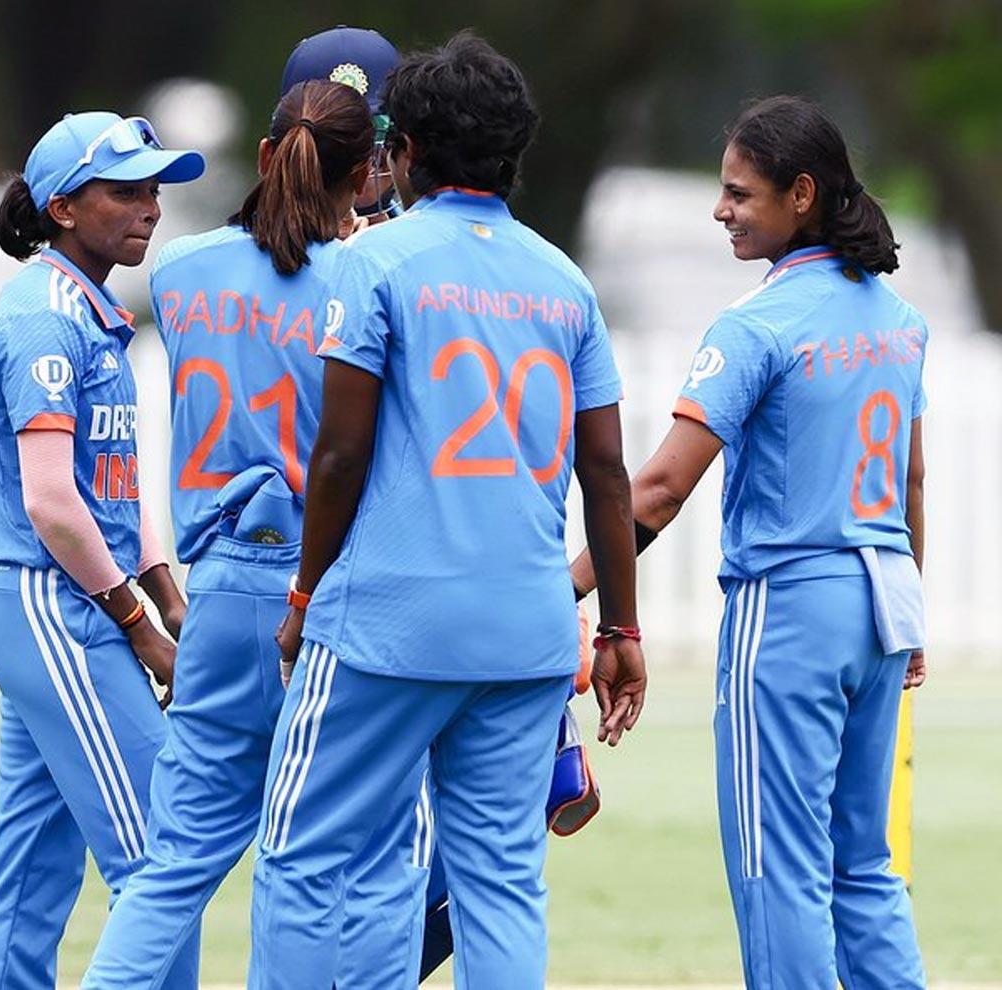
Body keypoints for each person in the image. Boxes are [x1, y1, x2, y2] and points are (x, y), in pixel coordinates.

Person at [249, 33, 647, 990]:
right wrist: (623, 625)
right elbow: (606, 473)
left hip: (389, 623)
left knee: (304, 857)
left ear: (405, 154)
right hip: (528, 632)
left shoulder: (372, 263)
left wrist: (304, 591)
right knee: (501, 885)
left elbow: (340, 452)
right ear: (515, 153)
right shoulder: (566, 282)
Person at [81, 79, 431, 990]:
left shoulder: (185, 269)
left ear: (270, 154)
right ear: (364, 177)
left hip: (223, 589)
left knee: (174, 867)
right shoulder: (369, 279)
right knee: (353, 858)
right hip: (329, 595)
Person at [571, 95, 927, 988]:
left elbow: (657, 487)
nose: (721, 210)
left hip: (791, 610)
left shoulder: (755, 325)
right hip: (883, 602)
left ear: (801, 193)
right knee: (865, 862)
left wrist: (563, 588)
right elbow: (912, 480)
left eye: (739, 194)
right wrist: (909, 613)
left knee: (779, 868)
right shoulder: (897, 319)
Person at [0, 112, 205, 990]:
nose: (150, 208)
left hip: (58, 601)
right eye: (126, 190)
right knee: (161, 861)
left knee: (32, 864)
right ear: (62, 206)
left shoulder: (88, 309)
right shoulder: (43, 314)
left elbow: (114, 487)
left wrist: (165, 590)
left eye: (155, 189)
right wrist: (139, 621)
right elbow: (53, 502)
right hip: (53, 602)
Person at [280, 25, 403, 227]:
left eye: (379, 137)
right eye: (332, 143)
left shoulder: (435, 244)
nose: (365, 164)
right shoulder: (229, 252)